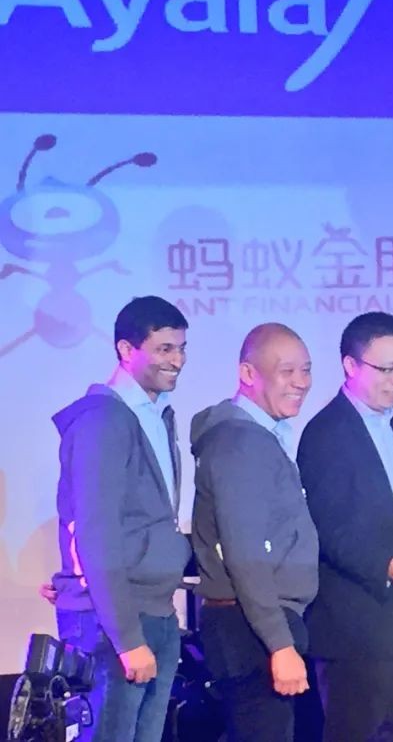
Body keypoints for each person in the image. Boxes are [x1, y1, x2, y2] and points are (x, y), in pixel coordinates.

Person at [51, 295, 192, 741]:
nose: (177, 360)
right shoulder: (103, 420)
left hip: (154, 611)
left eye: (181, 348)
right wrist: (128, 638)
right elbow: (96, 531)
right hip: (112, 622)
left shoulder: (155, 415)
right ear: (126, 350)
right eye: (164, 349)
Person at [190, 323, 319, 741]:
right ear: (248, 373)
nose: (301, 382)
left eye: (306, 370)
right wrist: (279, 644)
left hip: (256, 624)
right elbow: (245, 551)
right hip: (251, 629)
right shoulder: (240, 442)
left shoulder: (255, 438)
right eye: (287, 371)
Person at [298, 312, 393, 741]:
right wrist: (383, 563)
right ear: (350, 365)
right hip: (352, 628)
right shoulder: (325, 433)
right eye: (386, 369)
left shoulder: (391, 420)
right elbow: (328, 526)